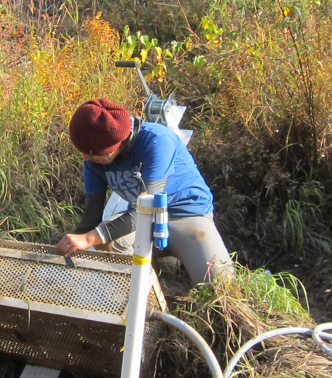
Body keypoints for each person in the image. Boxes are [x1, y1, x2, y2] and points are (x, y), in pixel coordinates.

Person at [56, 98, 231, 287]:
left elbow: (149, 208)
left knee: (219, 284)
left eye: (90, 153)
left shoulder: (157, 141)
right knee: (107, 243)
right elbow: (91, 220)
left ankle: (174, 269)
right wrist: (74, 248)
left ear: (115, 143)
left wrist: (89, 238)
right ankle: (141, 298)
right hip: (143, 224)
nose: (85, 158)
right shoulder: (93, 160)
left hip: (187, 216)